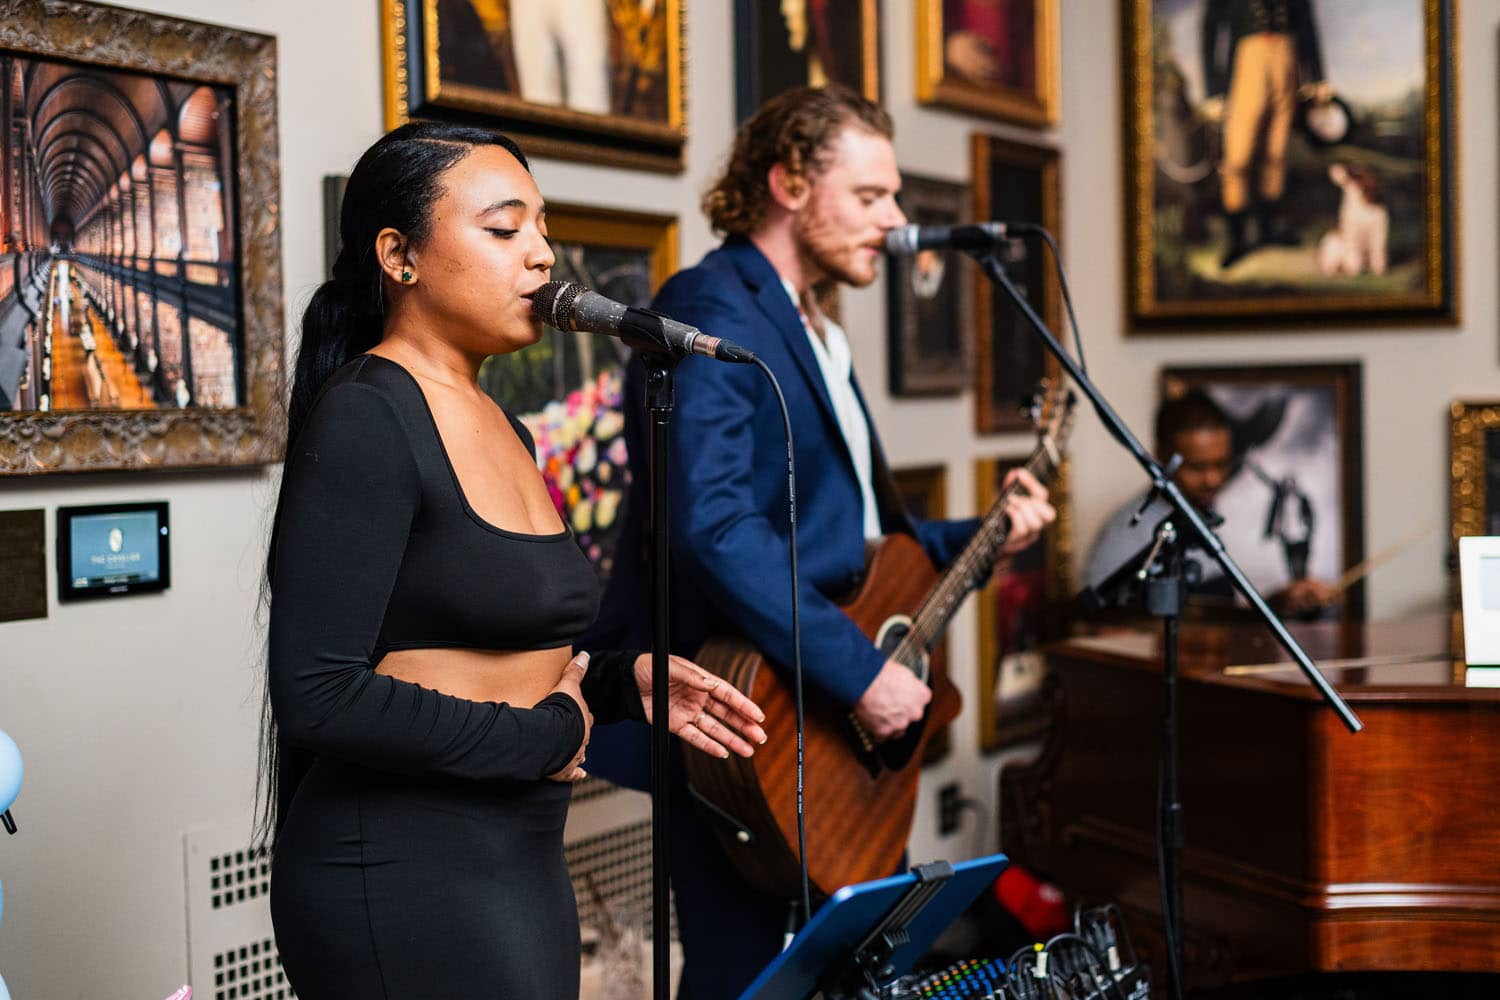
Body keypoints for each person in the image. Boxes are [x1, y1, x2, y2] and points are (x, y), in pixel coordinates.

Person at [258, 121, 767, 1000]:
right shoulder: (368, 416)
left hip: (519, 862)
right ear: (398, 255)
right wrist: (551, 734)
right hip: (401, 869)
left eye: (541, 228)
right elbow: (319, 692)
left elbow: (492, 642)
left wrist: (618, 684)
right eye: (504, 230)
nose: (541, 256)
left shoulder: (506, 425)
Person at [583, 86, 1056, 998]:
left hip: (818, 723)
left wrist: (986, 530)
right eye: (873, 196)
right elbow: (714, 527)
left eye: (896, 199)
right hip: (743, 720)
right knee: (747, 976)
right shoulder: (713, 303)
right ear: (790, 182)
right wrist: (862, 673)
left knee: (846, 970)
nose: (897, 220)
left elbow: (851, 542)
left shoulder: (816, 325)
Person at [1083, 388, 1337, 616]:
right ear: (1161, 457)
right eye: (1197, 467)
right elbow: (1096, 623)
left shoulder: (1204, 518)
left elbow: (1212, 616)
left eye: (1220, 464)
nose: (1213, 480)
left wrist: (1277, 603)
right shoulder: (1126, 532)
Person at [1199, 0, 1329, 269]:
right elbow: (1211, 26)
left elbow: (1306, 23)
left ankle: (1268, 231)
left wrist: (1317, 76)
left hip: (1287, 57)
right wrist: (1212, 89)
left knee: (1277, 151)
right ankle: (1237, 239)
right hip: (1248, 59)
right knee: (1238, 154)